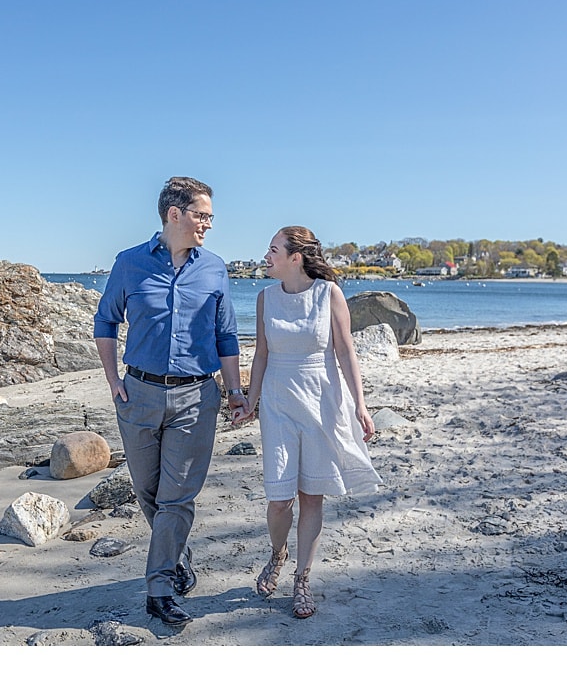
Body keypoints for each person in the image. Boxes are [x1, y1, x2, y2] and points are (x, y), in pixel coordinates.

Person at [94, 176, 248, 627]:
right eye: (202, 215)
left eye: (210, 218)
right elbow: (105, 322)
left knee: (177, 497)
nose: (208, 225)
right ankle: (177, 556)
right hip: (137, 393)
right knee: (149, 492)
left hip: (197, 396)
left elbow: (226, 335)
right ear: (173, 214)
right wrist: (112, 381)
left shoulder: (215, 269)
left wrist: (235, 391)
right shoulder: (129, 264)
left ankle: (158, 588)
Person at [232, 226, 382, 619]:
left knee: (311, 495)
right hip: (279, 403)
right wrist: (251, 401)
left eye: (272, 250)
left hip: (321, 399)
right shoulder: (265, 298)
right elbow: (261, 354)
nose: (266, 256)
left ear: (295, 257)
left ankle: (302, 578)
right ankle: (278, 553)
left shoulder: (328, 293)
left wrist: (360, 406)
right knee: (279, 498)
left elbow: (347, 352)